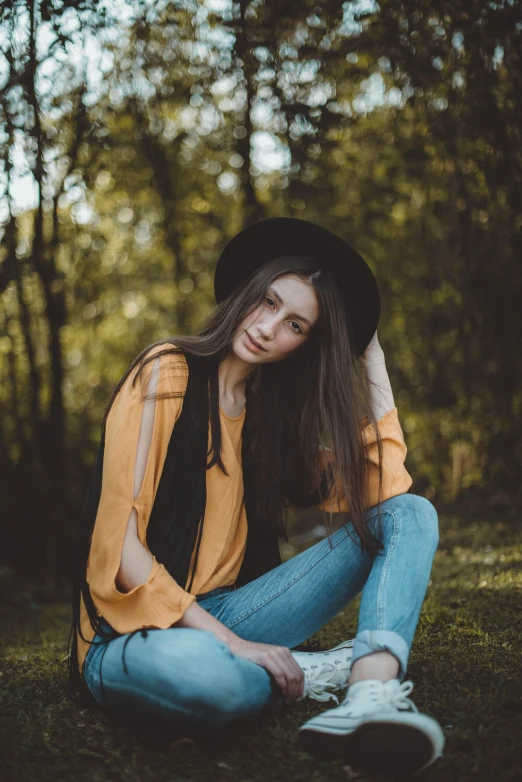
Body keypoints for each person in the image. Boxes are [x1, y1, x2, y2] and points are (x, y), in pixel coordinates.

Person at [68, 217, 444, 776]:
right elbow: (121, 550)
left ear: (303, 346)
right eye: (267, 302)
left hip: (232, 612)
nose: (268, 328)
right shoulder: (167, 373)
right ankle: (297, 672)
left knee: (412, 513)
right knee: (212, 679)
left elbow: (384, 494)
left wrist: (372, 362)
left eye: (294, 324)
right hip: (134, 632)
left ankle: (369, 690)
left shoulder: (269, 419)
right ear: (247, 293)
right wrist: (233, 645)